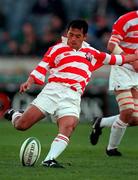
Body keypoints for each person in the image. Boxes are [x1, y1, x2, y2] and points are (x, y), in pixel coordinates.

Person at [4, 19, 138, 167]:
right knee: (21, 126)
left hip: (73, 96)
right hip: (53, 91)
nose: (73, 39)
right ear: (67, 33)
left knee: (69, 125)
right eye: (71, 35)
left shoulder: (92, 53)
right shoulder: (57, 48)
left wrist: (135, 56)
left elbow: (119, 59)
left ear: (85, 37)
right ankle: (15, 114)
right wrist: (29, 81)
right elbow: (43, 66)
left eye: (77, 36)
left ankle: (49, 160)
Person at [89, 11, 138, 156]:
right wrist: (131, 59)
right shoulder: (127, 19)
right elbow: (111, 45)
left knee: (134, 119)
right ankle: (111, 149)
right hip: (122, 69)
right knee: (127, 111)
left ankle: (100, 123)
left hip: (136, 73)